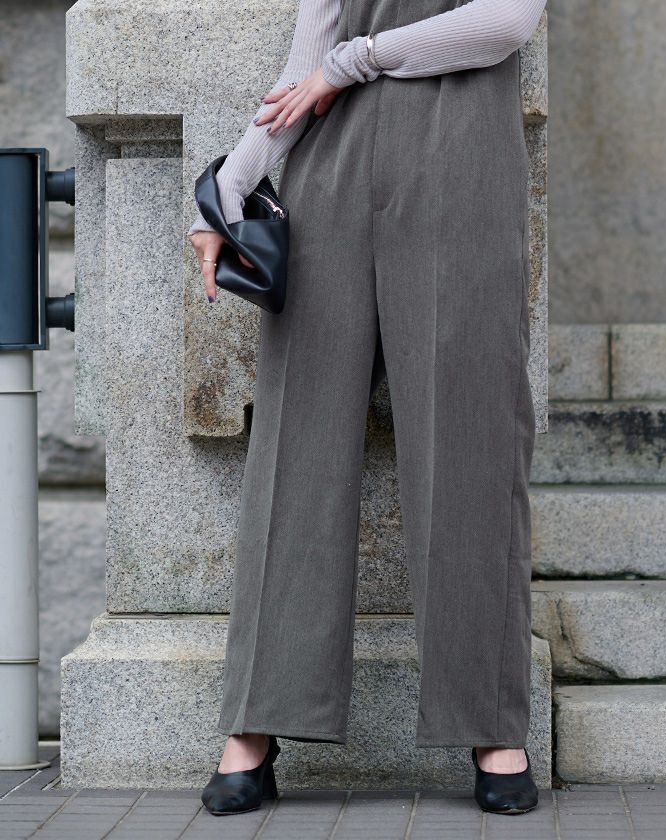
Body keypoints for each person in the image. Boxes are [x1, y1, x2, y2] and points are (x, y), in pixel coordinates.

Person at [187, 0, 546, 817]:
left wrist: (355, 62)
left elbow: (505, 22)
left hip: (462, 163)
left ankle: (492, 724)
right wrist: (229, 191)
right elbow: (303, 64)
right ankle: (256, 720)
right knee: (296, 444)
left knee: (471, 442)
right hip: (331, 172)